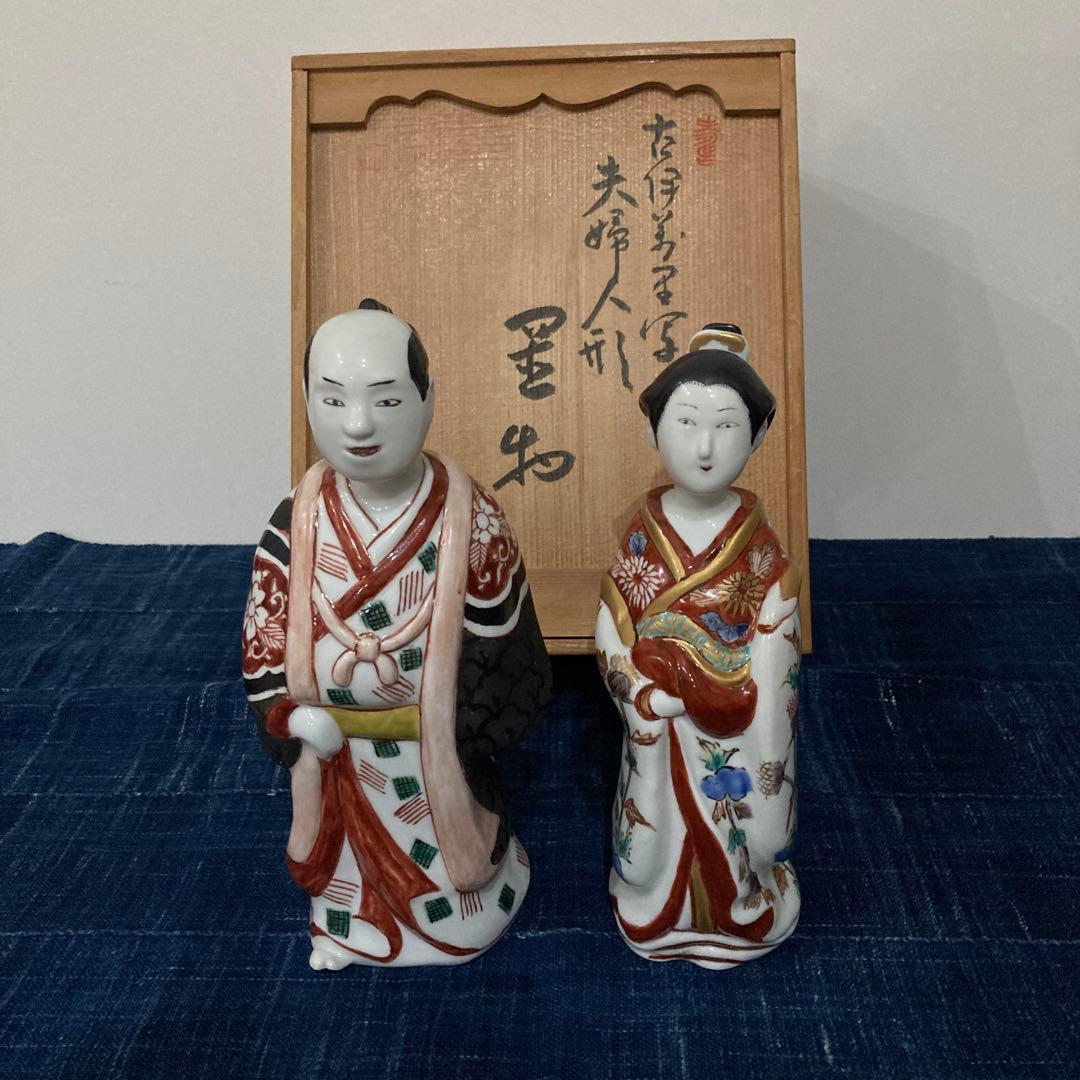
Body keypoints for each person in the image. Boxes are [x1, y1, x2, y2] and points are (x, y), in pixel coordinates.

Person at [242, 299, 551, 968]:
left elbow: (510, 659)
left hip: (434, 766)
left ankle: (459, 916)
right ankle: (347, 924)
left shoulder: (473, 520)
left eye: (385, 400)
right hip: (333, 763)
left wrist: (455, 726)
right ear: (306, 402)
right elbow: (263, 653)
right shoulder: (292, 524)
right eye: (333, 399)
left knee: (451, 883)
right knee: (346, 875)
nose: (358, 425)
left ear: (428, 400)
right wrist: (292, 720)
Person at [595, 323, 802, 970]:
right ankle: (656, 905)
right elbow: (613, 627)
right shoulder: (641, 534)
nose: (705, 447)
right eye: (686, 423)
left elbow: (779, 660)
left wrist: (752, 702)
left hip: (736, 729)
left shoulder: (762, 553)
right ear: (654, 429)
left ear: (759, 435)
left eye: (727, 426)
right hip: (658, 722)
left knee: (735, 821)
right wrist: (639, 695)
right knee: (656, 831)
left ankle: (740, 908)